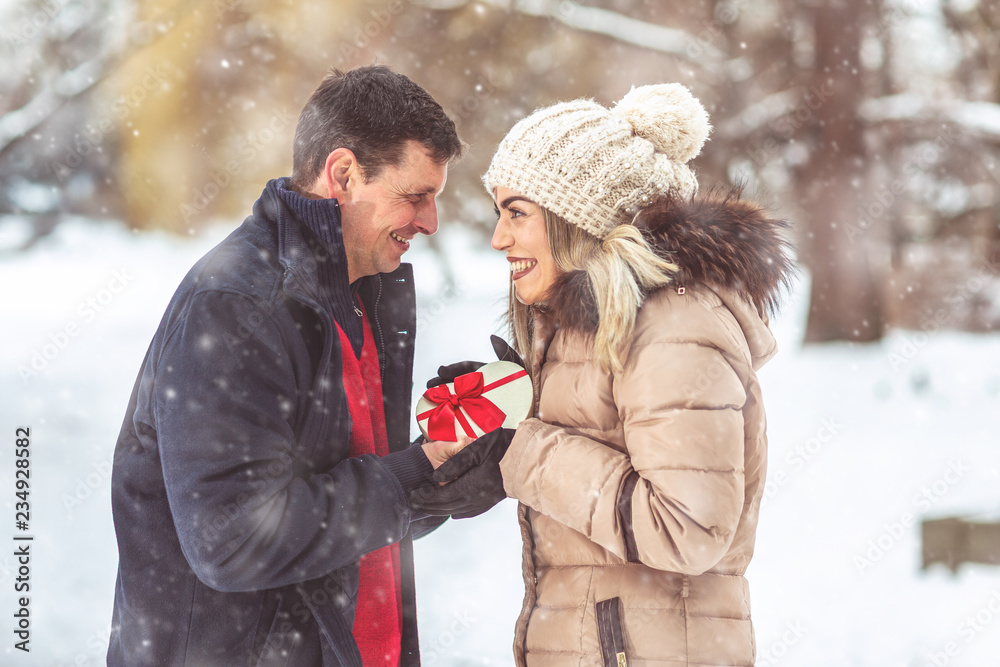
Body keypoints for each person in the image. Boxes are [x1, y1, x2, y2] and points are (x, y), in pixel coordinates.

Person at [107, 65, 495, 667]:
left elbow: (340, 505)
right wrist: (410, 474)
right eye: (415, 195)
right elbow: (231, 542)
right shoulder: (238, 307)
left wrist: (446, 475)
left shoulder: (359, 291)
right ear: (343, 174)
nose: (430, 221)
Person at [480, 84, 794, 665]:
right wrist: (504, 416)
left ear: (578, 217)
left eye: (517, 212)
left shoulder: (674, 324)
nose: (499, 238)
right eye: (498, 212)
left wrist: (520, 449)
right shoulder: (593, 325)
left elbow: (687, 528)